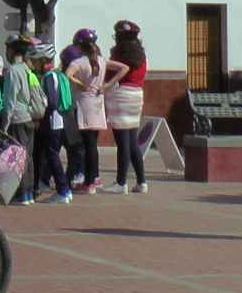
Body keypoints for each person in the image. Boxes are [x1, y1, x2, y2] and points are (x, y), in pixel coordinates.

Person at [107, 20, 151, 193]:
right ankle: (141, 181)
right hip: (136, 97)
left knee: (122, 141)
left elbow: (109, 75)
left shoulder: (118, 58)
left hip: (120, 97)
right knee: (132, 140)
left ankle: (121, 183)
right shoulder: (142, 58)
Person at [27, 42, 73, 204]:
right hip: (49, 123)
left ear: (43, 60)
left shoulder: (49, 76)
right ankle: (36, 187)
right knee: (40, 155)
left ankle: (63, 190)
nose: (33, 64)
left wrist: (40, 112)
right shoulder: (50, 75)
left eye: (35, 61)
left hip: (52, 123)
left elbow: (52, 102)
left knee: (52, 156)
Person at [66, 36, 111, 195]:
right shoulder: (102, 60)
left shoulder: (78, 63)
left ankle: (89, 183)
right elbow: (124, 68)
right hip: (98, 105)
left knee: (88, 145)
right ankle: (94, 178)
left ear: (80, 47)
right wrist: (107, 85)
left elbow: (68, 75)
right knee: (93, 144)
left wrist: (80, 84)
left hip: (85, 105)